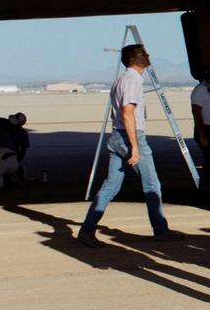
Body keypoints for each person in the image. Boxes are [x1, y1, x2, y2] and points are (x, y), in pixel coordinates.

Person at [78, 44, 184, 247]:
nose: (148, 55)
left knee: (110, 185)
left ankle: (87, 229)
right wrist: (134, 145)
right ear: (135, 58)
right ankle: (160, 230)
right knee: (152, 185)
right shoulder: (133, 80)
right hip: (130, 136)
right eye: (144, 53)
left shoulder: (120, 80)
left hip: (117, 136)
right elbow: (128, 113)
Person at [190, 61, 210, 196]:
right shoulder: (200, 90)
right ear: (207, 72)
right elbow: (196, 113)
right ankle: (207, 192)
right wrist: (202, 134)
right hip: (206, 129)